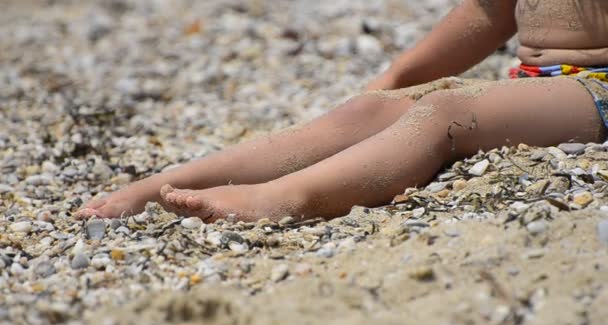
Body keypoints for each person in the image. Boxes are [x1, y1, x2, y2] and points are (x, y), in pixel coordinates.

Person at [78, 0, 608, 222]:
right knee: (367, 112)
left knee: (448, 112)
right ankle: (156, 186)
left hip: (597, 87)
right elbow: (486, 15)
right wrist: (392, 86)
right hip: (536, 83)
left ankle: (279, 199)